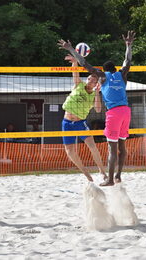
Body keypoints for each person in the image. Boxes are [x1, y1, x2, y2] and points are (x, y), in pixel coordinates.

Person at [58, 30, 136, 186]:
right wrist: (128, 45)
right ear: (115, 69)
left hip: (114, 113)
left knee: (112, 148)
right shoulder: (122, 75)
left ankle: (110, 179)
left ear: (105, 71)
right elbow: (127, 60)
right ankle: (119, 175)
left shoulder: (103, 77)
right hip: (126, 111)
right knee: (122, 145)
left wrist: (71, 49)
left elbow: (84, 64)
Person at [61, 54, 107, 182]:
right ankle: (87, 174)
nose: (91, 81)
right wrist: (75, 62)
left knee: (92, 146)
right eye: (90, 78)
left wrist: (97, 93)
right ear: (86, 79)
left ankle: (102, 171)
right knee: (69, 151)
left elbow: (98, 109)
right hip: (66, 122)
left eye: (94, 80)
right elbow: (75, 73)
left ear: (96, 84)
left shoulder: (94, 95)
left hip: (80, 123)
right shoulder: (78, 85)